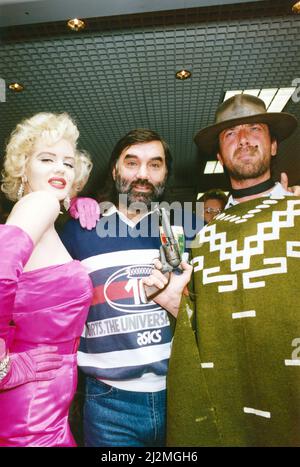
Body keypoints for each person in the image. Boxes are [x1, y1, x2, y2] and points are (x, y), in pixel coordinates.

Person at [166, 93, 300, 446]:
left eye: (255, 128)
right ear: (219, 154)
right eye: (230, 134)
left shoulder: (298, 215)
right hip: (231, 415)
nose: (243, 139)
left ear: (272, 145)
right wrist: (171, 301)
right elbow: (202, 330)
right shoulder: (205, 240)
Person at [60, 128, 194, 447]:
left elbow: (214, 318)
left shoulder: (187, 231)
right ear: (115, 169)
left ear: (166, 173)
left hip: (180, 394)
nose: (143, 175)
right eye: (132, 162)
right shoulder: (80, 232)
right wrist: (68, 204)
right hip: (108, 404)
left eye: (155, 164)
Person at [0, 112, 93, 447]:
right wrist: (4, 368)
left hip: (43, 408)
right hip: (32, 412)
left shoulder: (43, 216)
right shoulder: (38, 204)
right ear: (23, 168)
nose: (60, 169)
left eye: (68, 163)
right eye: (46, 158)